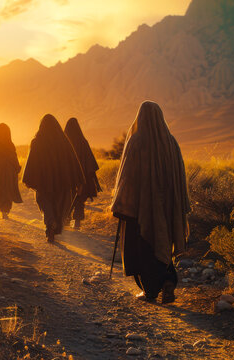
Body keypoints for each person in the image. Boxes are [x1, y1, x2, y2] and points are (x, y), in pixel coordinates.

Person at [111, 101, 190, 304]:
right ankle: (168, 281)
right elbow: (181, 176)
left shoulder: (136, 141)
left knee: (143, 247)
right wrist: (179, 205)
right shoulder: (171, 142)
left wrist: (121, 205)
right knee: (162, 241)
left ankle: (151, 291)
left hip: (140, 208)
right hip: (167, 206)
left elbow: (126, 177)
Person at [23, 114, 84, 242]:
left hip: (43, 182)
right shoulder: (64, 141)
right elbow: (73, 161)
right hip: (63, 182)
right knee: (60, 205)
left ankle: (49, 223)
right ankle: (55, 225)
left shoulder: (37, 141)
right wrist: (78, 181)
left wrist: (29, 179)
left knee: (45, 203)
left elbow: (31, 162)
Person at [64, 117, 102, 229]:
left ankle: (66, 219)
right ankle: (77, 222)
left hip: (68, 176)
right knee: (80, 200)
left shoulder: (64, 142)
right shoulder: (83, 142)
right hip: (83, 176)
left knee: (67, 197)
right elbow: (90, 162)